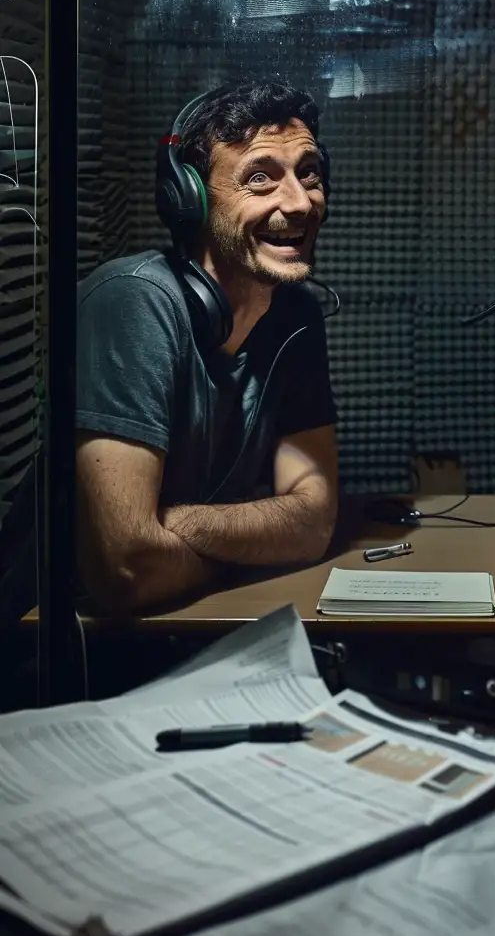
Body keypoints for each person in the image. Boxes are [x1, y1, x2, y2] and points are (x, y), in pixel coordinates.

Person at [75, 80, 339, 616]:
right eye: (260, 178)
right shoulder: (134, 301)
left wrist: (179, 525)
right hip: (70, 652)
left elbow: (313, 522)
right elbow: (127, 568)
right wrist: (257, 544)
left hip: (198, 625)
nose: (300, 201)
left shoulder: (295, 313)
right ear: (188, 199)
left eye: (308, 172)